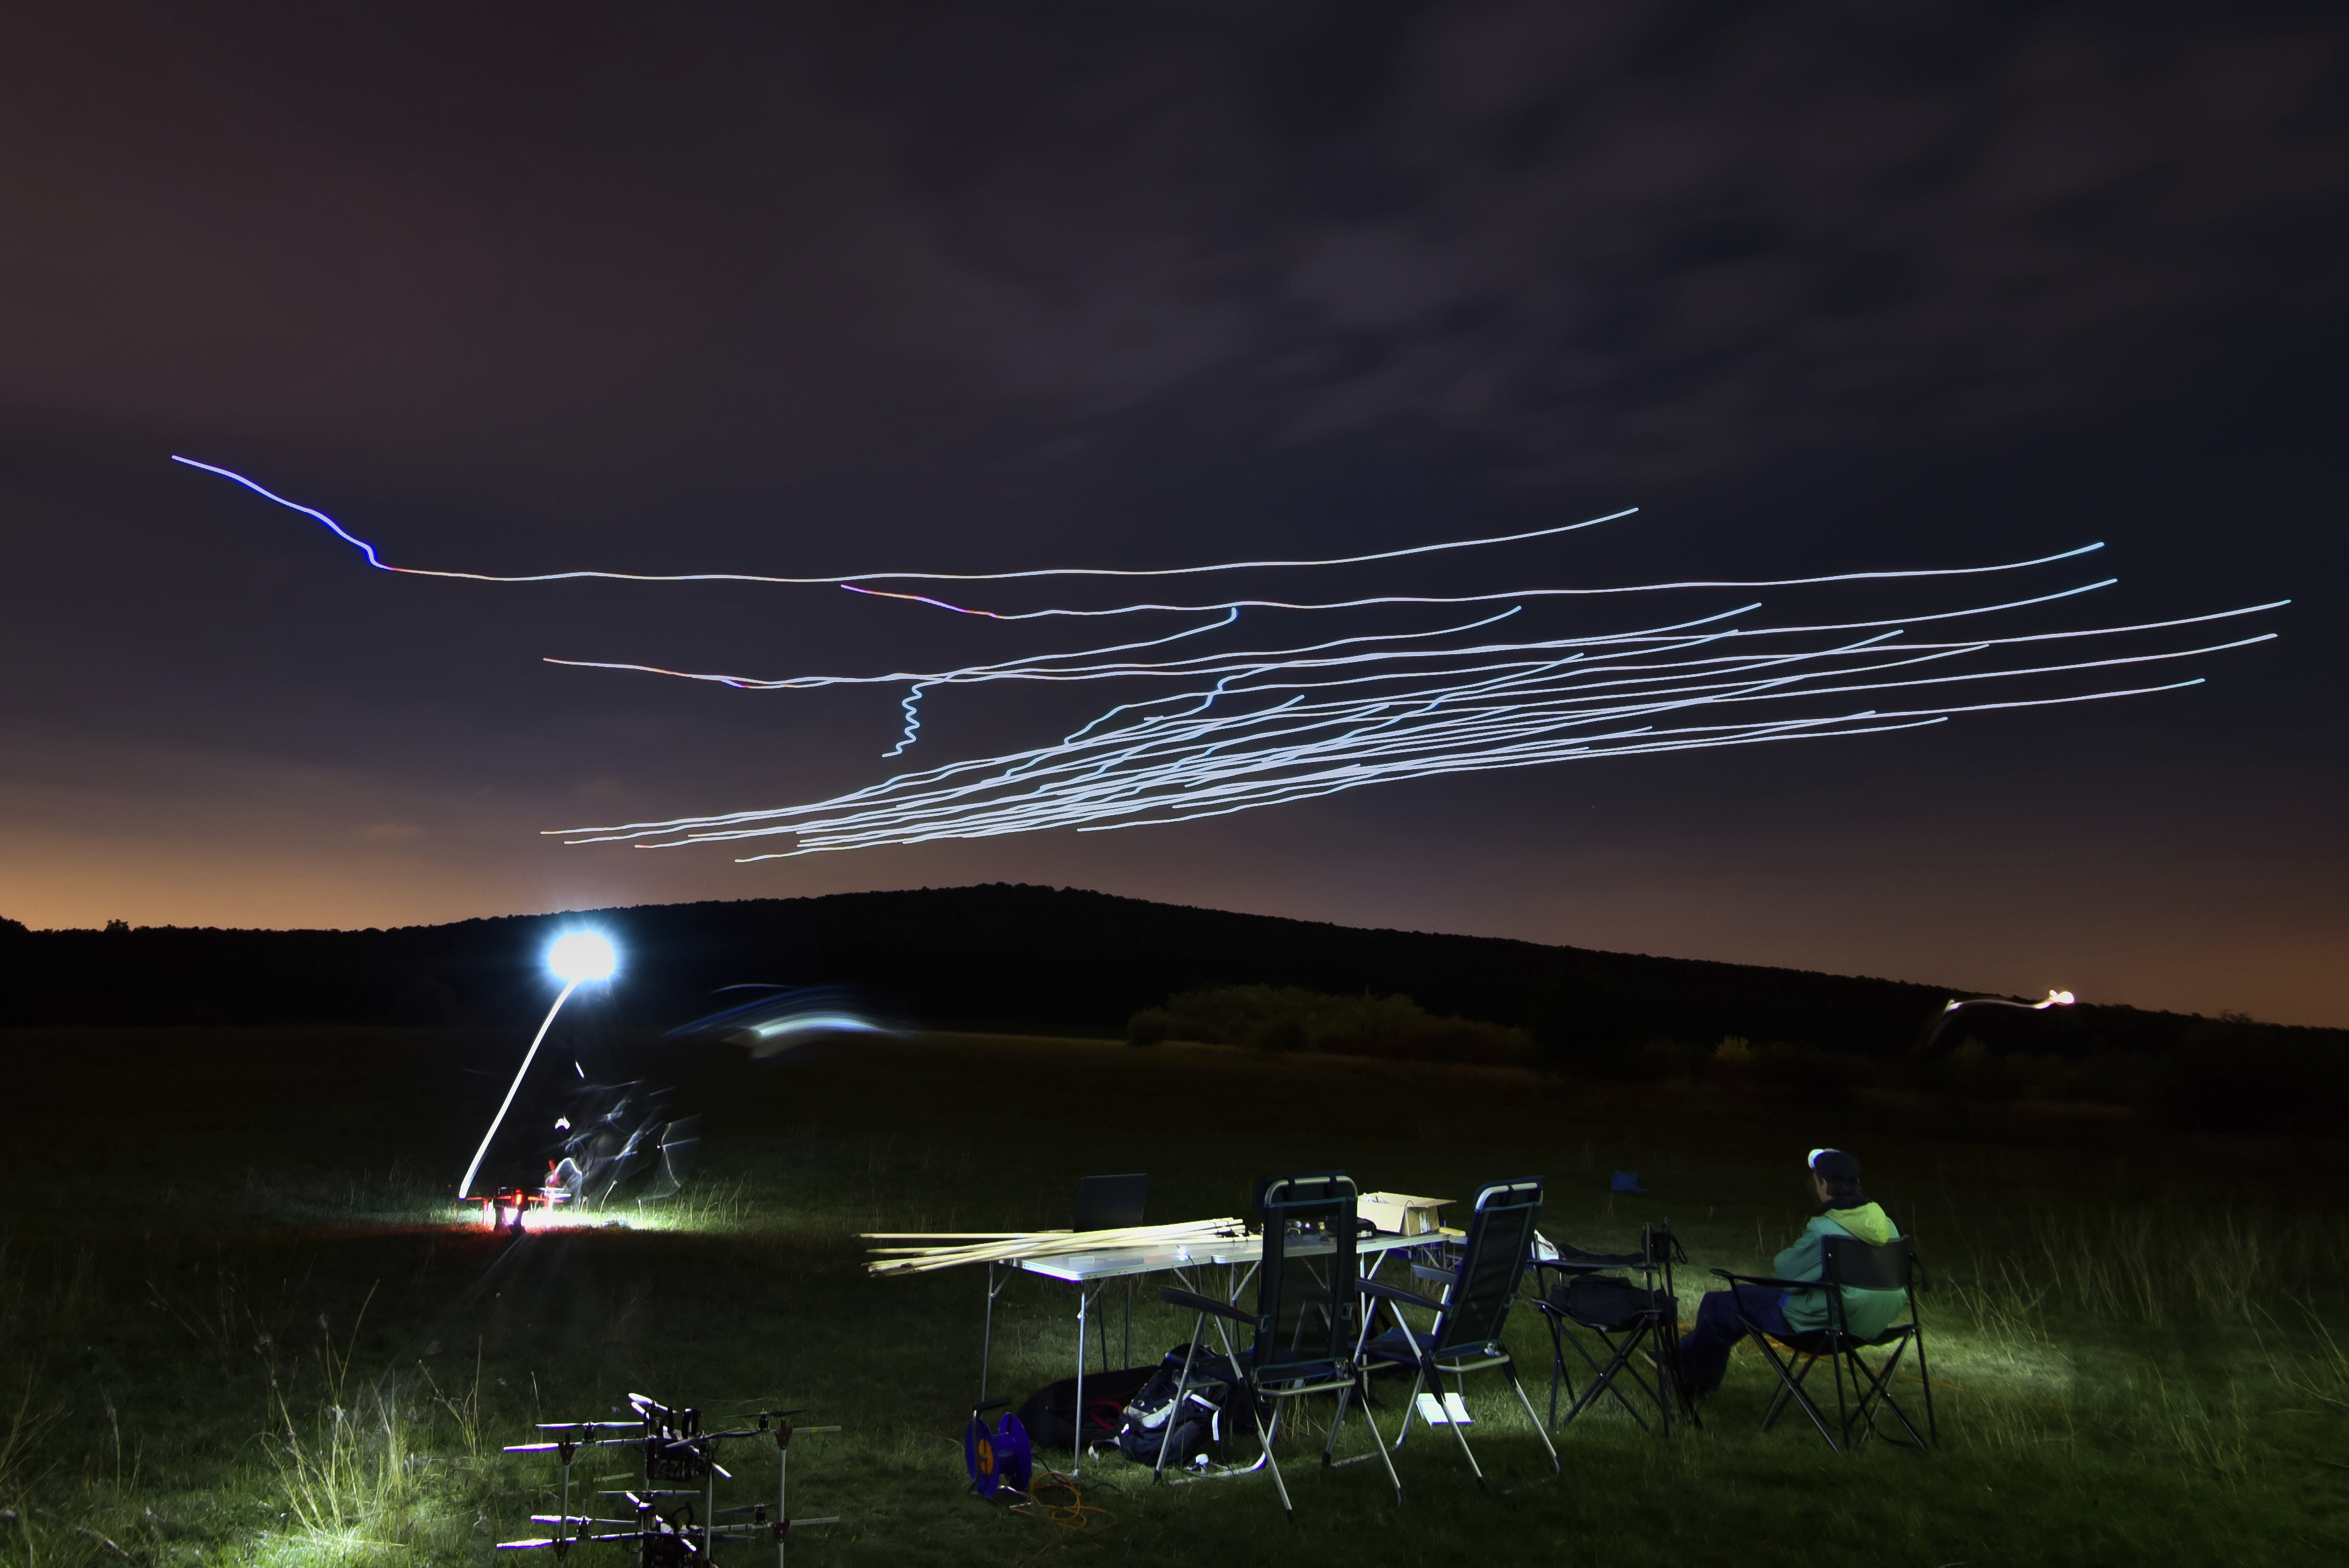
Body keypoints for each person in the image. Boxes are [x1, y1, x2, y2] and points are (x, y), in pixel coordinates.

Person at [1676, 1148, 1906, 1398]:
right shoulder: (1887, 1225)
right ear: (1857, 1184)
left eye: (1816, 1179)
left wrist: (1788, 1259)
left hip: (1823, 1328)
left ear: (1824, 1184)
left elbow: (1789, 1278)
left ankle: (1691, 1381)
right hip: (1873, 1326)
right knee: (1740, 1301)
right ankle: (1682, 1357)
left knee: (1720, 1303)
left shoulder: (1826, 1229)